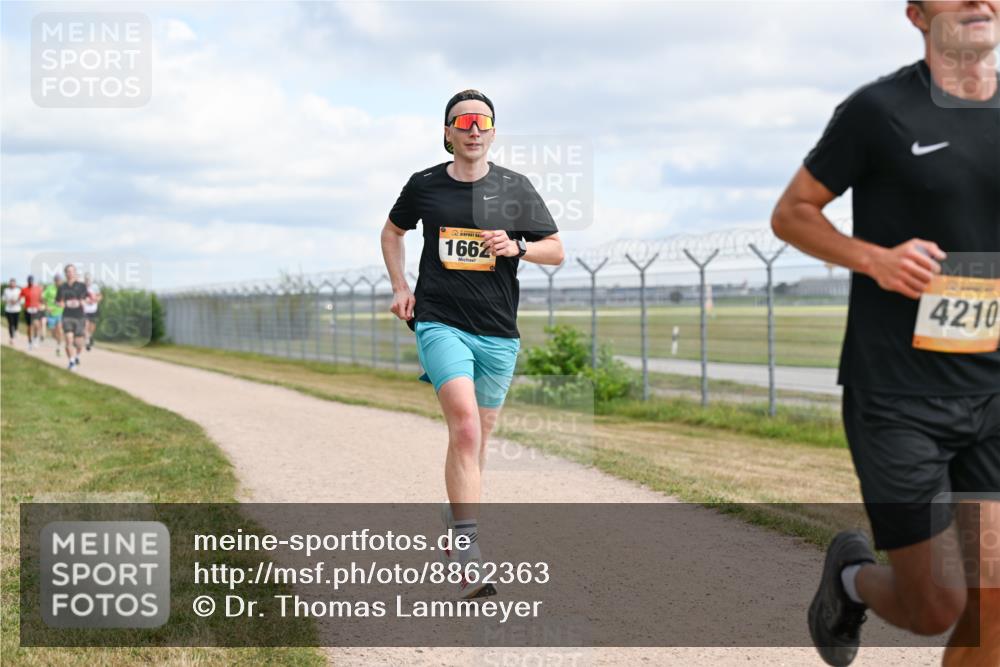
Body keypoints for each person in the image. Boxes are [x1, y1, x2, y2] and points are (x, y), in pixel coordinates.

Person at [771, 2, 999, 665]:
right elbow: (792, 214)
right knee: (937, 607)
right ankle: (851, 578)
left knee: (993, 604)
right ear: (918, 15)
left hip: (993, 392)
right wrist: (877, 258)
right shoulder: (879, 111)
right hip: (899, 395)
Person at [381, 90, 564, 599]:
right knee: (463, 427)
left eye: (482, 121)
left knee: (478, 439)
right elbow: (392, 233)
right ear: (447, 132)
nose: (473, 128)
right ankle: (466, 550)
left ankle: (456, 513)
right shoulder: (425, 185)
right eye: (463, 121)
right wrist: (401, 287)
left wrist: (519, 246)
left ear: (493, 131)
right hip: (440, 321)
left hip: (498, 330)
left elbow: (557, 251)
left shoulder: (515, 188)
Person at [56, 265, 89, 370]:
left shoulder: (82, 286)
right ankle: (71, 362)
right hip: (67, 316)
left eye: (72, 271)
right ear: (65, 273)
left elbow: (87, 298)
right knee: (69, 339)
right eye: (68, 271)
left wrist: (82, 302)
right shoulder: (62, 287)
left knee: (79, 343)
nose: (70, 273)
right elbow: (57, 301)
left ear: (75, 273)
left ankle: (77, 357)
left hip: (79, 316)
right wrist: (60, 304)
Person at [42, 275, 64, 356]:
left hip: (60, 312)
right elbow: (43, 298)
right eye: (57, 280)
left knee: (60, 330)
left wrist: (63, 304)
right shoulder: (49, 288)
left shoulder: (63, 289)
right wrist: (47, 307)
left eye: (60, 280)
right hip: (51, 313)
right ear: (55, 281)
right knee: (53, 333)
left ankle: (59, 347)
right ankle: (57, 342)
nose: (59, 282)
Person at [22, 275, 43, 351]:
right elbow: (20, 298)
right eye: (29, 280)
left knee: (37, 324)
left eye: (31, 280)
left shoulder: (37, 289)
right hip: (28, 310)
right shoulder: (24, 289)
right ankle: (30, 342)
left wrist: (43, 304)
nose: (30, 282)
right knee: (29, 327)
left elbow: (41, 298)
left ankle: (36, 338)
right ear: (27, 281)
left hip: (36, 309)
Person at [82, 273, 102, 351]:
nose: (87, 281)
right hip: (84, 310)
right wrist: (85, 300)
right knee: (85, 325)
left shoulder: (95, 287)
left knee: (92, 326)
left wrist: (96, 299)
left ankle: (90, 337)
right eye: (86, 279)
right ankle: (87, 342)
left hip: (93, 309)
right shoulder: (82, 287)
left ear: (91, 280)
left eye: (89, 279)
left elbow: (100, 296)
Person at [3, 278, 23, 346]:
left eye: (13, 283)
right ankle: (11, 338)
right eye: (11, 283)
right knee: (10, 324)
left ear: (15, 284)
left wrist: (16, 301)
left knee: (15, 323)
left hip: (16, 309)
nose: (12, 284)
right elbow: (3, 299)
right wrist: (9, 301)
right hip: (8, 310)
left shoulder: (18, 290)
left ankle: (16, 330)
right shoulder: (6, 290)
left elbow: (21, 299)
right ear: (9, 284)